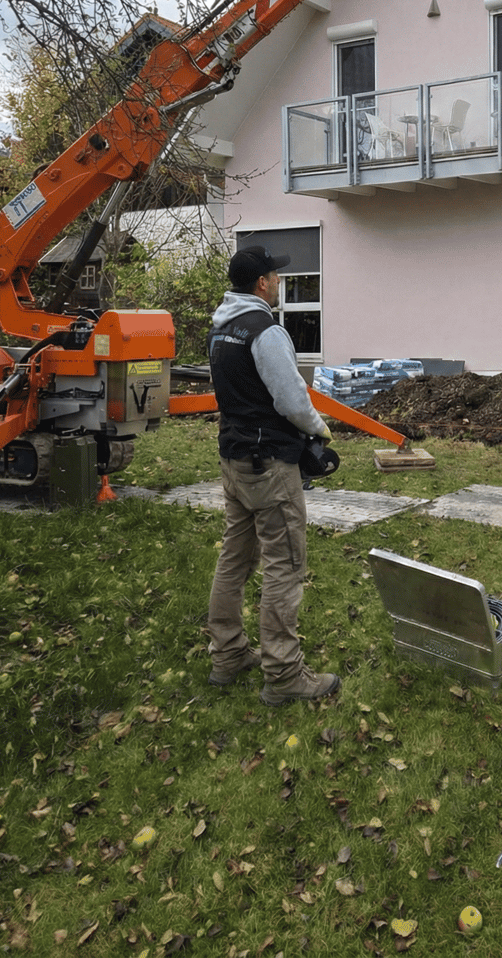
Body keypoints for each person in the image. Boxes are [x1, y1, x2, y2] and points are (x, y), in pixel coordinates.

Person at [206, 245, 341, 705]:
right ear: (262, 283)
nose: (281, 282)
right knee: (285, 565)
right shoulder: (266, 331)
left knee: (235, 559)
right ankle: (283, 674)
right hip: (268, 467)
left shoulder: (221, 329)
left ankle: (227, 656)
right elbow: (291, 398)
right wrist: (318, 431)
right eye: (276, 276)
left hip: (234, 461)